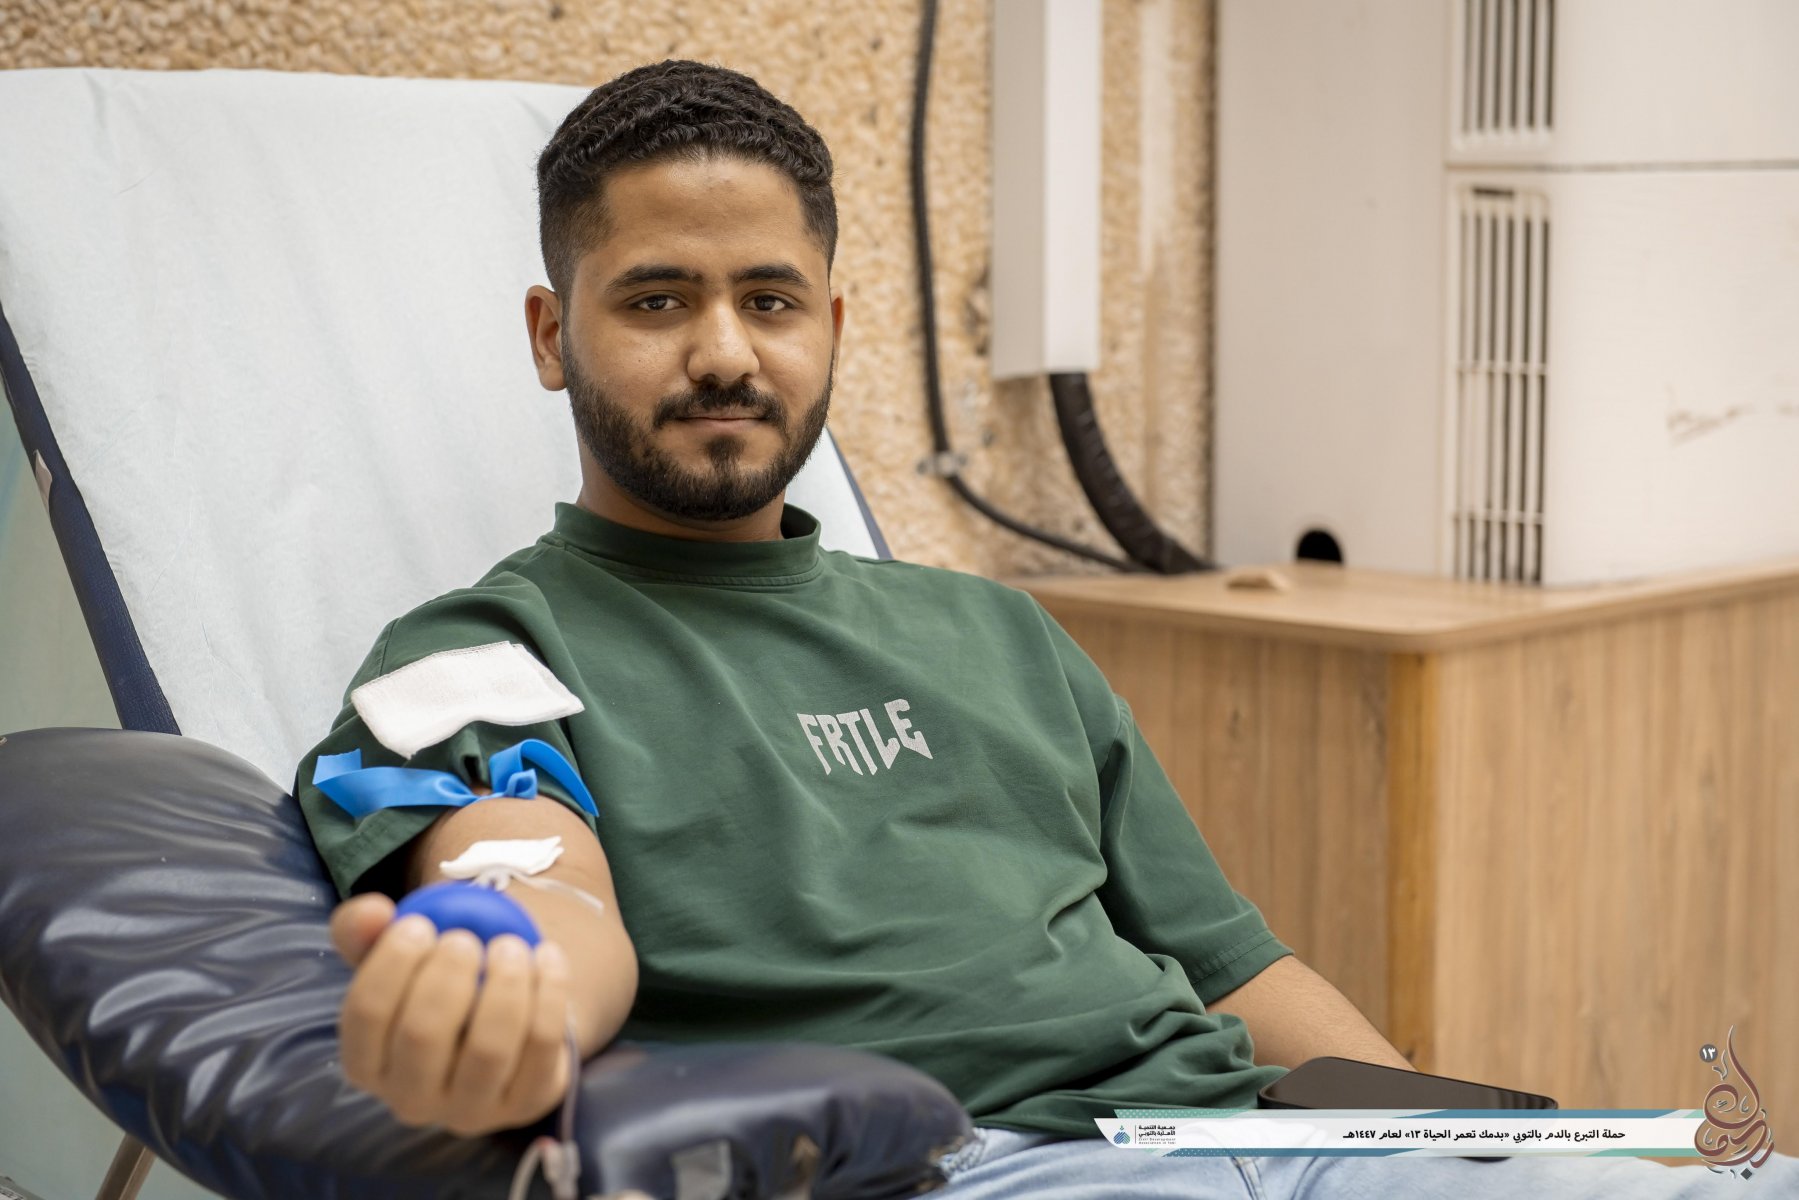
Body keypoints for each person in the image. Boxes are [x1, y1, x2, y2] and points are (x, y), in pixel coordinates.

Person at [294, 60, 1793, 1198]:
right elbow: (528, 877)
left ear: (834, 325)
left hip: (1274, 1133)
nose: (725, 352)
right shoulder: (478, 652)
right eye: (657, 300)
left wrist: (1451, 1143)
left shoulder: (998, 634)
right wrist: (503, 979)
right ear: (552, 336)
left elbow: (1236, 974)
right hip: (974, 1165)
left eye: (771, 299)